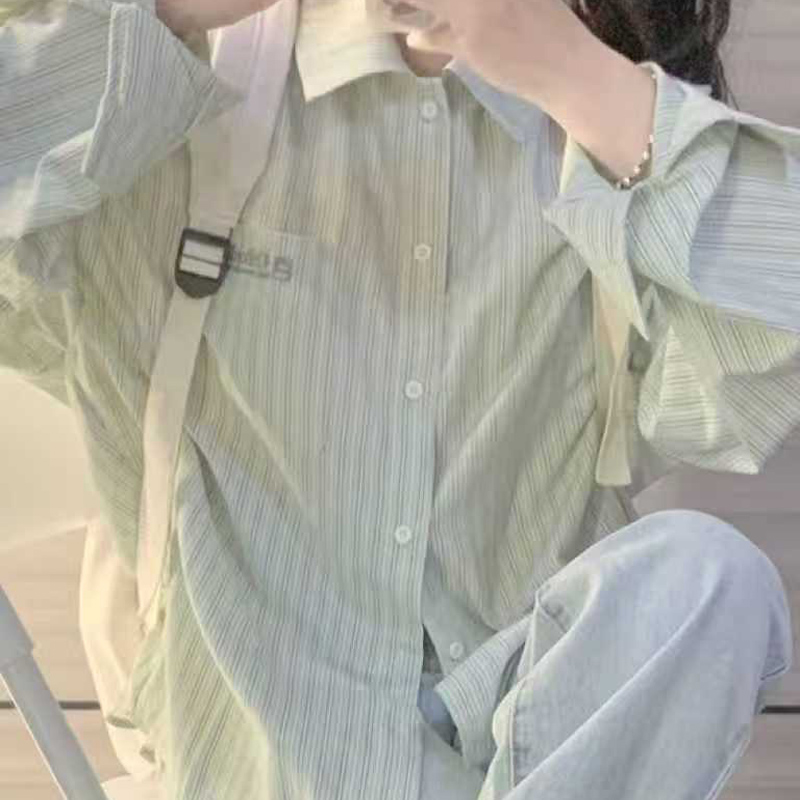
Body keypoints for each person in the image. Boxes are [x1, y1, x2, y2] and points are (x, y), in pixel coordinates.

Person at [0, 1, 796, 799]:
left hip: (529, 757)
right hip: (255, 761)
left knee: (712, 578)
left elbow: (769, 354)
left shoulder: (595, 124)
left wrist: (576, 75)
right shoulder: (179, 87)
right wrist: (172, 8)